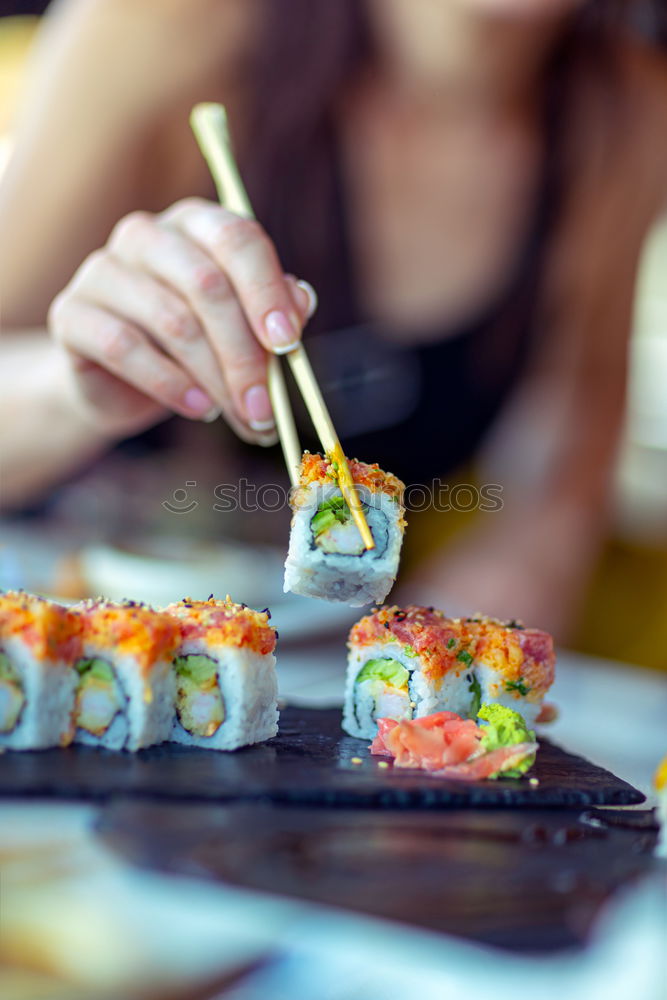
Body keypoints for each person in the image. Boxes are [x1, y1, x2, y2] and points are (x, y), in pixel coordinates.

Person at [1, 0, 666, 635]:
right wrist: (71, 383)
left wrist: (515, 576)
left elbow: (564, 467)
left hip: (320, 672)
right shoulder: (160, 30)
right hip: (55, 613)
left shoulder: (626, 112)